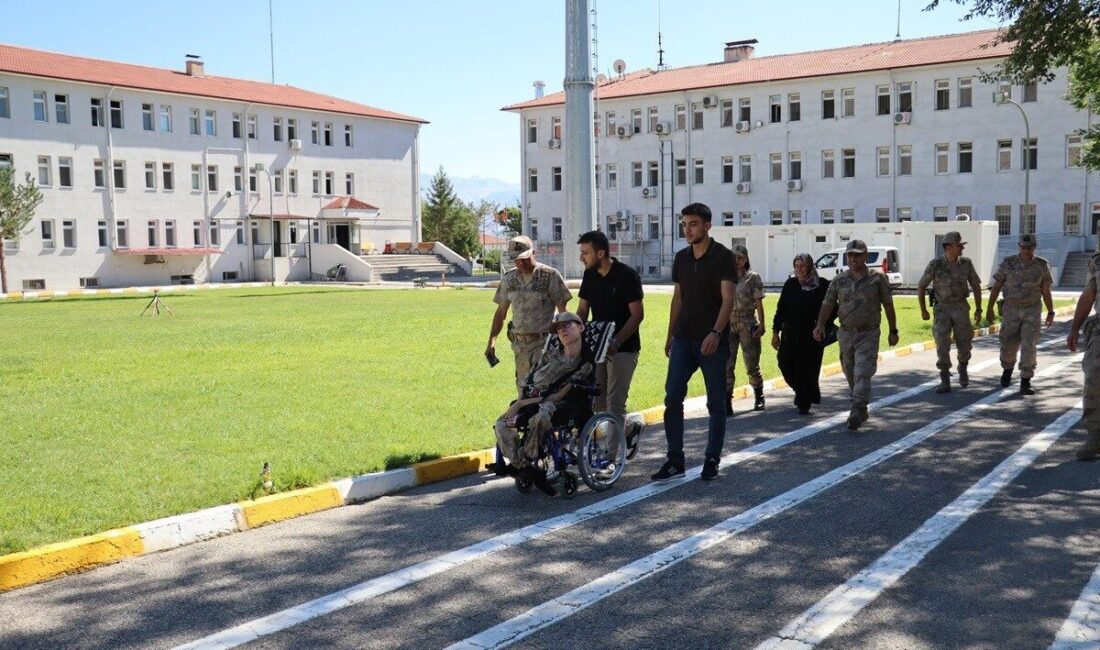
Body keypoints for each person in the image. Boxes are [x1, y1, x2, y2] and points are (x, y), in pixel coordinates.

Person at [652, 203, 736, 482]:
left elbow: (728, 299)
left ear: (708, 225)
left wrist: (715, 333)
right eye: (684, 224)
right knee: (672, 397)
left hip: (712, 341)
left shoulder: (724, 257)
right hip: (683, 339)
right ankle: (675, 460)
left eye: (693, 224)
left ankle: (712, 459)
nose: (687, 230)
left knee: (716, 403)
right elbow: (678, 298)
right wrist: (670, 336)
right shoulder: (681, 258)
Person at [490, 312, 594, 496]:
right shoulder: (549, 355)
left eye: (567, 325)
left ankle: (526, 465)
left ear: (581, 327)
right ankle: (525, 467)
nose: (562, 330)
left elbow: (559, 394)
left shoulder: (583, 363)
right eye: (559, 328)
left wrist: (521, 404)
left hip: (556, 404)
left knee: (540, 418)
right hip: (529, 400)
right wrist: (520, 402)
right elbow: (528, 380)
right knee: (501, 424)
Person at [814, 239, 899, 431]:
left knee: (862, 372)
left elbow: (888, 304)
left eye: (857, 254)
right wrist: (820, 325)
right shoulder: (839, 279)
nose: (853, 258)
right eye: (850, 254)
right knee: (850, 371)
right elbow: (827, 303)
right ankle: (861, 405)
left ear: (865, 256)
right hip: (845, 333)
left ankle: (856, 408)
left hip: (868, 333)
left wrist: (893, 330)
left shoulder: (877, 279)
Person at [576, 230, 645, 453]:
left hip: (624, 348)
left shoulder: (627, 276)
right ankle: (629, 431)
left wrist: (616, 341)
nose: (581, 257)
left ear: (601, 253)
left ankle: (611, 456)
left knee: (615, 402)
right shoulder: (589, 275)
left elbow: (637, 315)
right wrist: (573, 332)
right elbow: (583, 310)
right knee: (598, 403)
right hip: (597, 349)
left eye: (585, 253)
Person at [487, 235, 572, 390]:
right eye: (517, 259)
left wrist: (568, 343)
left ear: (534, 253)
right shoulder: (509, 279)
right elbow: (501, 313)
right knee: (523, 390)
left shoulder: (550, 276)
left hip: (544, 345)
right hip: (520, 347)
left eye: (525, 258)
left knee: (544, 390)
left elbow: (563, 313)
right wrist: (492, 342)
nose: (521, 263)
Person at [985, 233, 1055, 395]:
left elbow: (1046, 290)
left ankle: (1025, 379)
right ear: (1019, 247)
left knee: (1029, 344)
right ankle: (1007, 369)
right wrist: (989, 308)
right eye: (1023, 247)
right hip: (1011, 309)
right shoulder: (1008, 263)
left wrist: (1051, 311)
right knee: (1008, 343)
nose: (1026, 250)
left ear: (1034, 248)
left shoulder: (1042, 265)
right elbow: (996, 287)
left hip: (1032, 309)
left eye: (1029, 247)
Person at [917, 231, 983, 394]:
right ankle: (945, 377)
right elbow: (921, 285)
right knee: (942, 344)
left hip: (961, 307)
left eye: (961, 245)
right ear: (948, 247)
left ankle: (963, 367)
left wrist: (979, 308)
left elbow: (975, 285)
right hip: (942, 309)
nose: (962, 248)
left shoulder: (966, 263)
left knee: (964, 342)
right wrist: (924, 309)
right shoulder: (936, 264)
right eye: (959, 245)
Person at [772, 253, 830, 415]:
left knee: (807, 370)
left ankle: (804, 402)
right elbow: (781, 309)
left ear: (810, 266)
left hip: (812, 336)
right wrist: (775, 332)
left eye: (802, 266)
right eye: (796, 266)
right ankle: (803, 392)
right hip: (790, 335)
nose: (799, 269)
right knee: (784, 363)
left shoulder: (822, 285)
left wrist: (821, 325)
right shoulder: (790, 284)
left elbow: (833, 308)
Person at [725, 244, 766, 414]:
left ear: (746, 259)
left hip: (748, 322)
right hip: (728, 323)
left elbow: (758, 302)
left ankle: (759, 396)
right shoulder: (725, 277)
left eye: (740, 257)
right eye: (734, 257)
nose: (737, 261)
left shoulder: (752, 277)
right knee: (727, 364)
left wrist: (762, 324)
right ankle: (726, 401)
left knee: (751, 363)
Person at [1067, 253, 1100, 459]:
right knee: (1093, 376)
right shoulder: (1097, 261)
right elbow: (1088, 295)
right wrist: (1074, 329)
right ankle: (1094, 435)